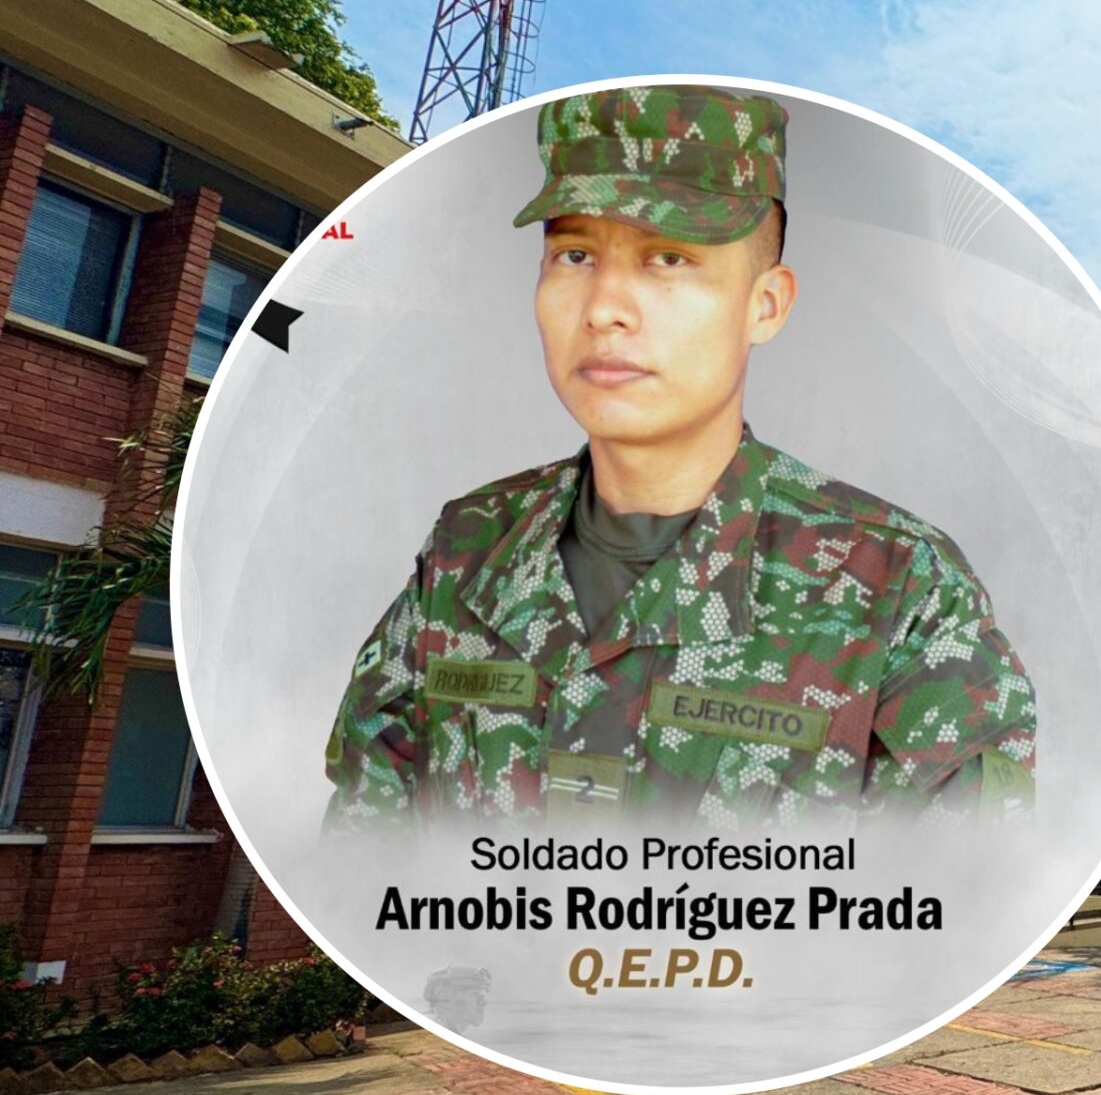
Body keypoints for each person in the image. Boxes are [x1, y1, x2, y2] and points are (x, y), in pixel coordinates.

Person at [323, 84, 1034, 829]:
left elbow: (966, 887)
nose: (604, 308)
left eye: (668, 258)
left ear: (765, 305)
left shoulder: (897, 586)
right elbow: (360, 851)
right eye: (574, 254)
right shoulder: (467, 552)